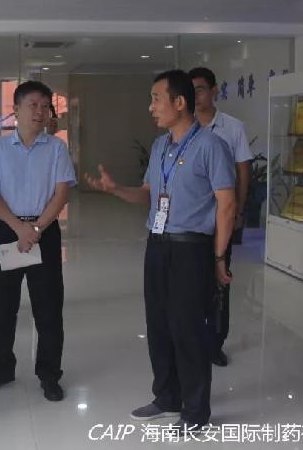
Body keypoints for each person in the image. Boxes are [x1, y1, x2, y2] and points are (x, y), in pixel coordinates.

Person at [86, 69, 235, 430]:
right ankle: (167, 397)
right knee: (158, 325)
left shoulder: (211, 146)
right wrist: (115, 190)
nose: (151, 107)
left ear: (179, 102)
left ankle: (196, 412)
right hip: (157, 245)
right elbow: (149, 195)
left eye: (156, 99)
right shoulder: (160, 147)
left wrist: (218, 258)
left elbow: (227, 204)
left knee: (188, 329)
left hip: (191, 248)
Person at [0, 80, 76, 402]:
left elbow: (62, 193)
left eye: (45, 106)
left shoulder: (57, 148)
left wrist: (37, 228)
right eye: (33, 105)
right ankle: (1, 367)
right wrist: (19, 228)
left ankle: (49, 374)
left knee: (49, 308)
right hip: (9, 231)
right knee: (4, 306)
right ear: (15, 109)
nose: (40, 111)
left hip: (44, 233)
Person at [190, 67, 253, 367]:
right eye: (191, 90)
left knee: (219, 279)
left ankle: (215, 341)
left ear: (214, 91)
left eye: (200, 89)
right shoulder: (184, 127)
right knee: (192, 280)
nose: (196, 95)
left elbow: (243, 170)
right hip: (192, 220)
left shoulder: (232, 127)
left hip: (222, 218)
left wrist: (238, 210)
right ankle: (193, 338)